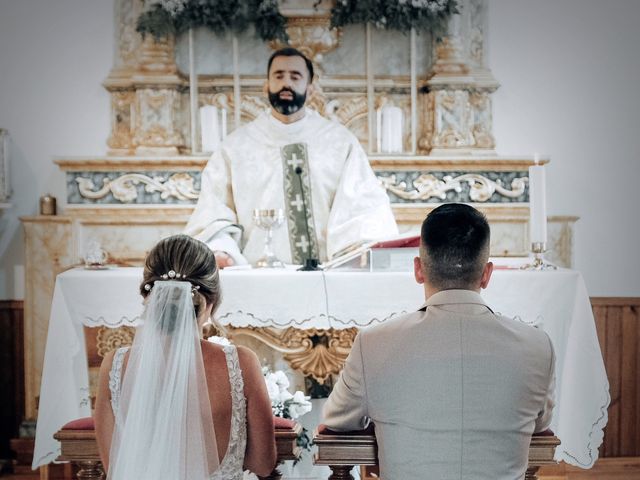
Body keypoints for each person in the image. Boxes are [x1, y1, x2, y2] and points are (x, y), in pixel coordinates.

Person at [322, 204, 556, 480]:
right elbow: (541, 423)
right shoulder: (538, 346)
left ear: (419, 269)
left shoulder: (373, 344)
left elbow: (337, 421)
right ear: (486, 274)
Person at [185, 47, 398, 268]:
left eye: (295, 76)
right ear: (266, 85)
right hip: (256, 276)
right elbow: (214, 212)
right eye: (279, 76)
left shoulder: (339, 142)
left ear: (311, 88)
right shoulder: (236, 146)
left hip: (327, 275)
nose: (286, 83)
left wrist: (359, 246)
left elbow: (363, 206)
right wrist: (222, 249)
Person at [94, 234, 276, 479]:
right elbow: (262, 465)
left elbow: (115, 468)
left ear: (148, 297)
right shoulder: (242, 363)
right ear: (210, 301)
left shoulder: (115, 365)